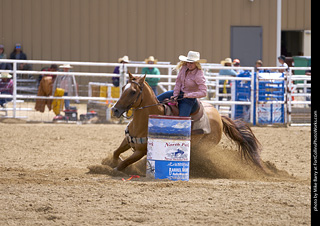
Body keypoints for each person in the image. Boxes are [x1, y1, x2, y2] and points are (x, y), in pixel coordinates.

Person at [157, 51, 207, 117]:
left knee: (182, 119)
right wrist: (175, 95)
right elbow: (178, 83)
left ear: (196, 63)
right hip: (179, 93)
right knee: (156, 100)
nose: (189, 65)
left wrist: (189, 95)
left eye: (191, 63)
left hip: (189, 99)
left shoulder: (199, 75)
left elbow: (204, 92)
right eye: (188, 62)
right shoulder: (184, 68)